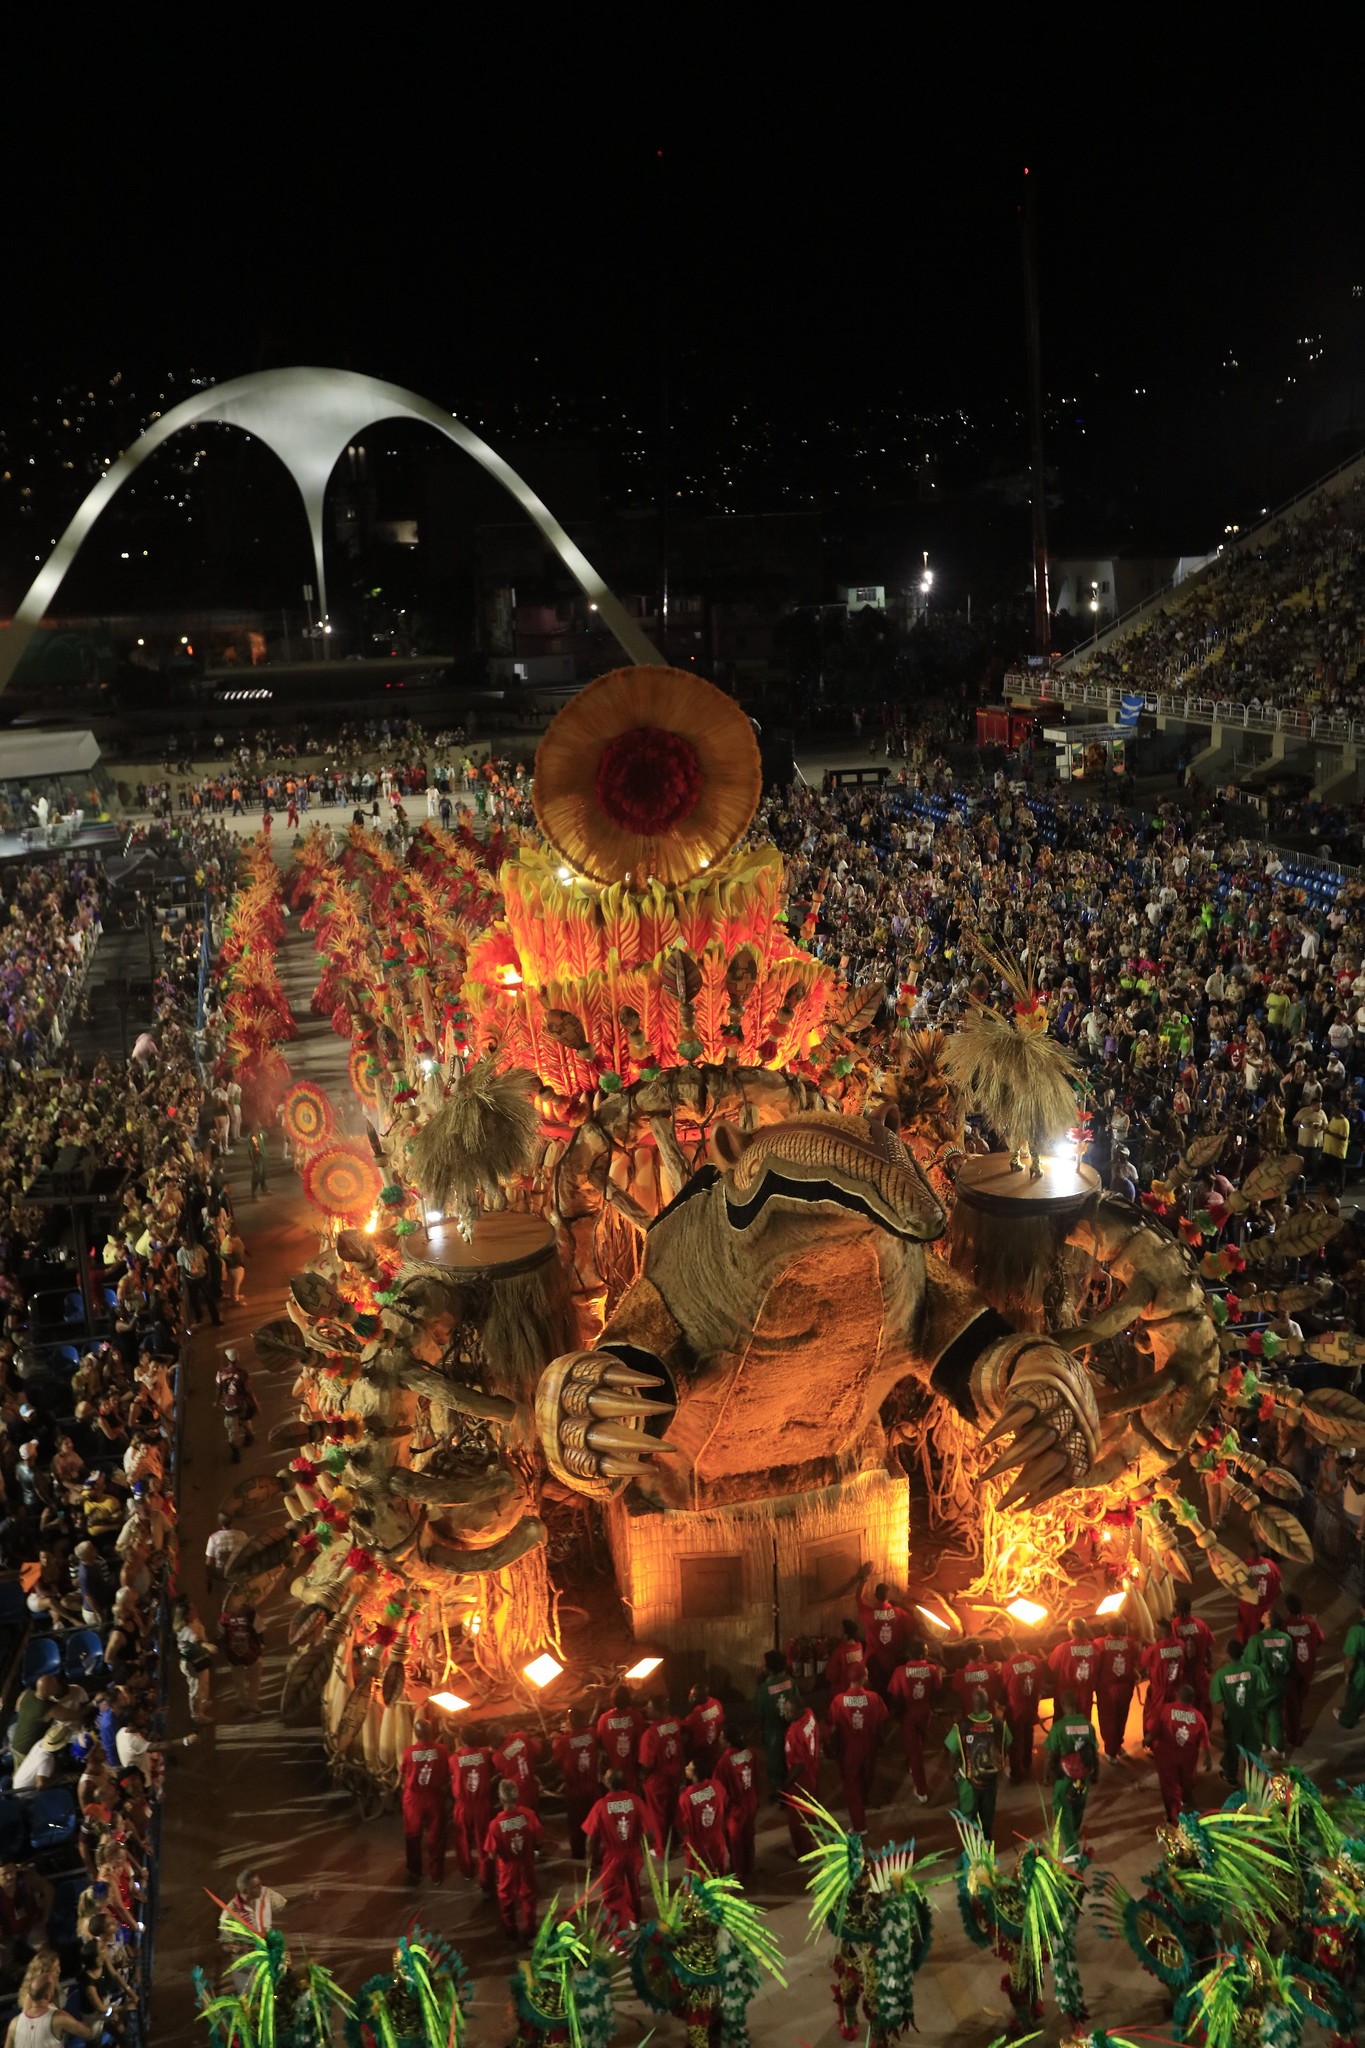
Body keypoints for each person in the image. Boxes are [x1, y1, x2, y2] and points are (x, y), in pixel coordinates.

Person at [582, 1769, 648, 1930]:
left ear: (607, 1783)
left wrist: (589, 1858)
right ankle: (635, 1920)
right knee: (633, 1886)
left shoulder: (601, 1806)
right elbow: (649, 1830)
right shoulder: (635, 1801)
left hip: (613, 1855)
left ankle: (618, 1930)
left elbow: (591, 1837)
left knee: (612, 1891)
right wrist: (643, 1850)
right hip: (633, 1851)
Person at [826, 1664, 887, 1830]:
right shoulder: (874, 1698)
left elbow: (832, 1725)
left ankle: (859, 1826)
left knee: (851, 1786)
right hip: (869, 1746)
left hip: (848, 1749)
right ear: (864, 1678)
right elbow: (882, 1719)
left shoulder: (838, 1701)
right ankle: (864, 1799)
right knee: (866, 1777)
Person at [482, 1779, 542, 1944]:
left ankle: (511, 1931)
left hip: (507, 1866)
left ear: (500, 1799)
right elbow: (538, 1838)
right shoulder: (529, 1815)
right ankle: (530, 1930)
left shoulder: (495, 1825)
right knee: (529, 1896)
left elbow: (492, 1854)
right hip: (526, 1862)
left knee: (506, 1898)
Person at [888, 1636, 943, 1803]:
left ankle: (921, 1790)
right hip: (925, 1713)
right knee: (920, 1742)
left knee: (915, 1751)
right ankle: (913, 1766)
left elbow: (893, 1691)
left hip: (908, 1715)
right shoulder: (932, 1669)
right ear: (924, 1653)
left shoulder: (900, 1671)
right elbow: (938, 1687)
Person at [1043, 1690, 1098, 1856]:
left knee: (1061, 1807)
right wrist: (1095, 1774)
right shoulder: (1088, 1725)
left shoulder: (1059, 1727)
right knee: (1078, 1804)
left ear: (1062, 1706)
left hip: (1065, 1777)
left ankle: (1071, 1847)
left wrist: (1046, 1774)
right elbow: (1094, 1752)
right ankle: (1075, 1831)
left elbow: (1051, 1755)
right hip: (1084, 1775)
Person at [946, 1687, 1005, 1839]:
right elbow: (1007, 1744)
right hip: (991, 1779)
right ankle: (987, 1839)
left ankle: (972, 1843)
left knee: (969, 1811)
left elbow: (953, 1751)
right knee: (988, 1810)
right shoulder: (998, 1723)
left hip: (969, 1780)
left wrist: (951, 1772)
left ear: (972, 1703)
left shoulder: (962, 1726)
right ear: (987, 1703)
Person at [399, 1715, 450, 1886]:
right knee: (436, 1836)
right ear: (431, 1732)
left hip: (414, 1798)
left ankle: (415, 1871)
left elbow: (403, 1771)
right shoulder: (442, 1750)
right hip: (434, 1796)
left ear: (415, 1734)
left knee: (412, 1835)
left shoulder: (408, 1752)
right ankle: (436, 1873)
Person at [3, 1952, 98, 2043]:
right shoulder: (31, 1997)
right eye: (55, 1968)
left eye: (59, 1966)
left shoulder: (54, 1985)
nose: (59, 1970)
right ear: (45, 1971)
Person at [1209, 1639, 1268, 1782]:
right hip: (1252, 1718)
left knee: (1232, 1748)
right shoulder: (1255, 1670)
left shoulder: (1221, 1675)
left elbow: (1216, 1698)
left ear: (1228, 1655)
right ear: (1242, 1653)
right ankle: (1254, 1781)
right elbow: (1263, 1690)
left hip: (1232, 1719)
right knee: (1253, 1750)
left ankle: (1231, 1776)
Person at [1152, 1682, 1212, 1821]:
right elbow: (1204, 1742)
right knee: (1187, 1781)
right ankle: (1186, 1801)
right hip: (1187, 1758)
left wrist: (1148, 1740)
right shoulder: (1198, 1717)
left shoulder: (1165, 1709)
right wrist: (1208, 1759)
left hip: (1167, 1757)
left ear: (1178, 1696)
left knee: (1170, 1788)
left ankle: (1173, 1817)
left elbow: (1155, 1730)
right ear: (1192, 1700)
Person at [220, 1869, 287, 1990]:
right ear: (245, 1891)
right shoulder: (229, 1913)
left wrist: (303, 1899)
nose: (261, 1887)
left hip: (269, 1954)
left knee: (279, 1992)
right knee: (253, 2000)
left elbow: (283, 1906)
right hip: (247, 1964)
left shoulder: (266, 1894)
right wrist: (236, 1948)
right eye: (256, 1886)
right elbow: (225, 1944)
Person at [551, 1707, 601, 1861]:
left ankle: (579, 1855)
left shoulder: (564, 1742)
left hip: (575, 1791)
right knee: (593, 1823)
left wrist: (554, 1737)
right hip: (592, 1788)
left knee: (576, 1825)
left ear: (571, 1722)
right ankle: (595, 1853)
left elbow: (556, 1755)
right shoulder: (592, 1734)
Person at [637, 1697, 685, 1857]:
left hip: (658, 1781)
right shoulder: (674, 1723)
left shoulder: (649, 1735)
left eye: (649, 1707)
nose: (647, 1710)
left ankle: (662, 1849)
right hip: (674, 1775)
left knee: (658, 1816)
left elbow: (647, 1763)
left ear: (657, 1710)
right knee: (671, 1811)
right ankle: (674, 1841)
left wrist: (641, 1779)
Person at [1245, 1611, 1296, 1755]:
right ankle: (1278, 1747)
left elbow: (1250, 1662)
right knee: (1275, 1715)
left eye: (1267, 1614)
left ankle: (1261, 1743)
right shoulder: (1286, 1638)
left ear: (1269, 1621)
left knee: (1256, 1713)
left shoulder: (1256, 1639)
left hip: (1262, 1686)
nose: (1264, 1613)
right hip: (1279, 1684)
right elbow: (1289, 1660)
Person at [996, 1634, 1044, 1784]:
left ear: (1004, 1651)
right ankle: (1027, 1763)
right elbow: (1040, 1683)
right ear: (1016, 1643)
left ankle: (1017, 1773)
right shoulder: (1035, 1661)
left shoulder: (1007, 1667)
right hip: (1032, 1706)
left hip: (1016, 1709)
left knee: (1015, 1741)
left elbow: (1003, 1688)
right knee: (1028, 1733)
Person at [715, 1726, 759, 1878]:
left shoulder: (725, 1761)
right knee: (748, 1837)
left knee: (735, 1841)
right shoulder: (749, 1753)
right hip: (750, 1802)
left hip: (735, 1808)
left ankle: (738, 1871)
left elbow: (719, 1788)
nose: (718, 1738)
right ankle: (750, 1865)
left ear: (727, 1741)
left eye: (721, 1736)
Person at [451, 1733, 496, 1884]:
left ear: (462, 1741)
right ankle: (487, 1877)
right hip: (482, 1805)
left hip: (463, 1806)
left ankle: (467, 1871)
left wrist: (460, 1752)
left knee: (462, 1840)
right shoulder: (484, 1754)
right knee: (484, 1842)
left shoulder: (454, 1759)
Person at [780, 1694, 821, 1855]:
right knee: (811, 1806)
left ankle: (804, 1852)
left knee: (797, 1818)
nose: (786, 1714)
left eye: (789, 1711)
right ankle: (813, 1833)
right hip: (813, 1768)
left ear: (798, 1710)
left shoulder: (793, 1732)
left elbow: (798, 1764)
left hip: (800, 1778)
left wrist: (784, 1785)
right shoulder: (809, 1714)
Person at [753, 1650, 797, 1796]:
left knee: (775, 1765)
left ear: (769, 1667)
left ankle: (779, 1795)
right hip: (790, 1729)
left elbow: (759, 1713)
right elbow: (798, 1703)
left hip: (772, 1732)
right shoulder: (790, 1682)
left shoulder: (763, 1690)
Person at [1284, 1591, 1324, 1747]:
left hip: (1292, 1672)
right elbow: (1320, 1639)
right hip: (1307, 1670)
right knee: (1299, 1701)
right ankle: (1295, 1727)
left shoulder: (1285, 1625)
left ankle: (1294, 1738)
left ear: (1287, 1609)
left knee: (1290, 1706)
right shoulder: (1311, 1624)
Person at [1095, 1621, 1140, 1761]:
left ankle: (1111, 1750)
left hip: (1107, 1688)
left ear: (1107, 1628)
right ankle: (1118, 1744)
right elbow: (1137, 1661)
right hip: (1126, 1687)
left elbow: (1096, 1664)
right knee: (1121, 1716)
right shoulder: (1130, 1643)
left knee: (1108, 1718)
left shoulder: (1100, 1643)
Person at [857, 1577, 911, 1692]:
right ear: (889, 1596)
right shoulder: (898, 1613)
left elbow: (858, 1599)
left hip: (873, 1659)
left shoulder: (871, 1614)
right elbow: (912, 1627)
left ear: (875, 1595)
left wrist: (863, 1578)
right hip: (893, 1658)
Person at [675, 1759, 728, 1875]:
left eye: (688, 1767)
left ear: (694, 1774)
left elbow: (682, 1825)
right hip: (716, 1838)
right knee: (716, 1872)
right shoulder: (717, 1785)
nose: (685, 1768)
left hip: (697, 1843)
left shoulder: (686, 1797)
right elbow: (725, 1802)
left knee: (697, 1876)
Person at [1141, 1623, 1188, 1746]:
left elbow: (1143, 1661)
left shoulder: (1155, 1649)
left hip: (1159, 1691)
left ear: (1162, 1633)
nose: (1153, 1632)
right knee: (1172, 1718)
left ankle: (1153, 1744)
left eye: (1156, 1630)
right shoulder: (1181, 1645)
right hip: (1175, 1690)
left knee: (1154, 1719)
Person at [172, 1595, 214, 1724]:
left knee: (204, 1682)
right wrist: (207, 1646)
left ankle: (203, 1702)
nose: (195, 1610)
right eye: (192, 1609)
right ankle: (196, 1715)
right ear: (186, 1615)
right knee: (195, 1689)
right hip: (191, 1662)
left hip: (199, 1657)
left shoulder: (194, 1621)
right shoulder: (185, 1629)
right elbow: (196, 1640)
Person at [1047, 1619, 1099, 1722]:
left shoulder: (1062, 1649)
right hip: (1085, 1695)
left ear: (1072, 1631)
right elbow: (1099, 1668)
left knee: (1063, 1727)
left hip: (1065, 1696)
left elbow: (1051, 1668)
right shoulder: (1094, 1648)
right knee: (1083, 1725)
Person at [217, 1600, 264, 1714]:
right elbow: (260, 1631)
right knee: (254, 1679)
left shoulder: (224, 1618)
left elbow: (220, 1634)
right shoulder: (251, 1614)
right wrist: (261, 1646)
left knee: (239, 1680)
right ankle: (251, 1703)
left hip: (234, 1655)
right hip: (250, 1653)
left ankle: (244, 1702)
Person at [1172, 1594, 1215, 1717]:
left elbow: (1173, 1649)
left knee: (1185, 1705)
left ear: (1177, 1609)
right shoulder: (1200, 1624)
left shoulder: (1175, 1625)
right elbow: (1209, 1647)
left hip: (1184, 1673)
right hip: (1200, 1671)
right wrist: (1210, 1664)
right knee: (1202, 1702)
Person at [596, 1687, 642, 1790]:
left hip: (611, 1775)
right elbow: (640, 1742)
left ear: (612, 1701)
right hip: (631, 1771)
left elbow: (600, 1743)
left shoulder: (603, 1719)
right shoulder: (636, 1716)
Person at [1236, 1541, 1282, 1645]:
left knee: (1247, 1638)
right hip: (1266, 1610)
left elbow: (1236, 1593)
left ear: (1248, 1552)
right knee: (1266, 1638)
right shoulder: (1272, 1565)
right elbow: (1279, 1591)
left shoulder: (1243, 1568)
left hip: (1249, 1611)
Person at [492, 1727, 542, 1811]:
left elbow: (498, 1769)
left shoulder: (497, 1757)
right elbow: (538, 1749)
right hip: (532, 1786)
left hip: (517, 1796)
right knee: (534, 1817)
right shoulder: (521, 1736)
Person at [682, 1682, 725, 1775]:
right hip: (715, 1746)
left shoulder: (697, 1714)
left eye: (692, 1694)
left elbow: (683, 1726)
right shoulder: (716, 1703)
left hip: (702, 1750)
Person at [1334, 1604, 1365, 1730]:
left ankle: (1347, 1718)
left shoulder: (1357, 1630)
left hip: (1362, 1673)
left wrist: (1347, 1675)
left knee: (1355, 1696)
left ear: (1362, 1608)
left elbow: (1350, 1658)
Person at [951, 1641, 1000, 1715]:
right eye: (983, 1653)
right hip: (989, 1714)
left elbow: (955, 1689)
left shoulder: (960, 1674)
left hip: (970, 1715)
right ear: (980, 1656)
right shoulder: (992, 1669)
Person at [824, 1619, 869, 1696]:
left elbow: (831, 1676)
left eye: (840, 1629)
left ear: (845, 1635)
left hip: (842, 1693)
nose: (837, 1630)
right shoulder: (859, 1646)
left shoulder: (839, 1652)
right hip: (858, 1689)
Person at [205, 1510, 249, 1588]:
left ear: (219, 1522)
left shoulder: (213, 1538)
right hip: (237, 1569)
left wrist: (208, 1577)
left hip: (221, 1572)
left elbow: (209, 1562)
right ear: (232, 1522)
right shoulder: (242, 1535)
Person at [247, 1128, 269, 1200]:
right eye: (257, 1124)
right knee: (257, 1175)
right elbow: (250, 1151)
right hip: (257, 1159)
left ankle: (264, 1188)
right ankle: (254, 1194)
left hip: (264, 1156)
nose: (259, 1125)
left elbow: (267, 1136)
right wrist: (253, 1163)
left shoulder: (260, 1132)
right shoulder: (250, 1137)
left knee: (263, 1173)